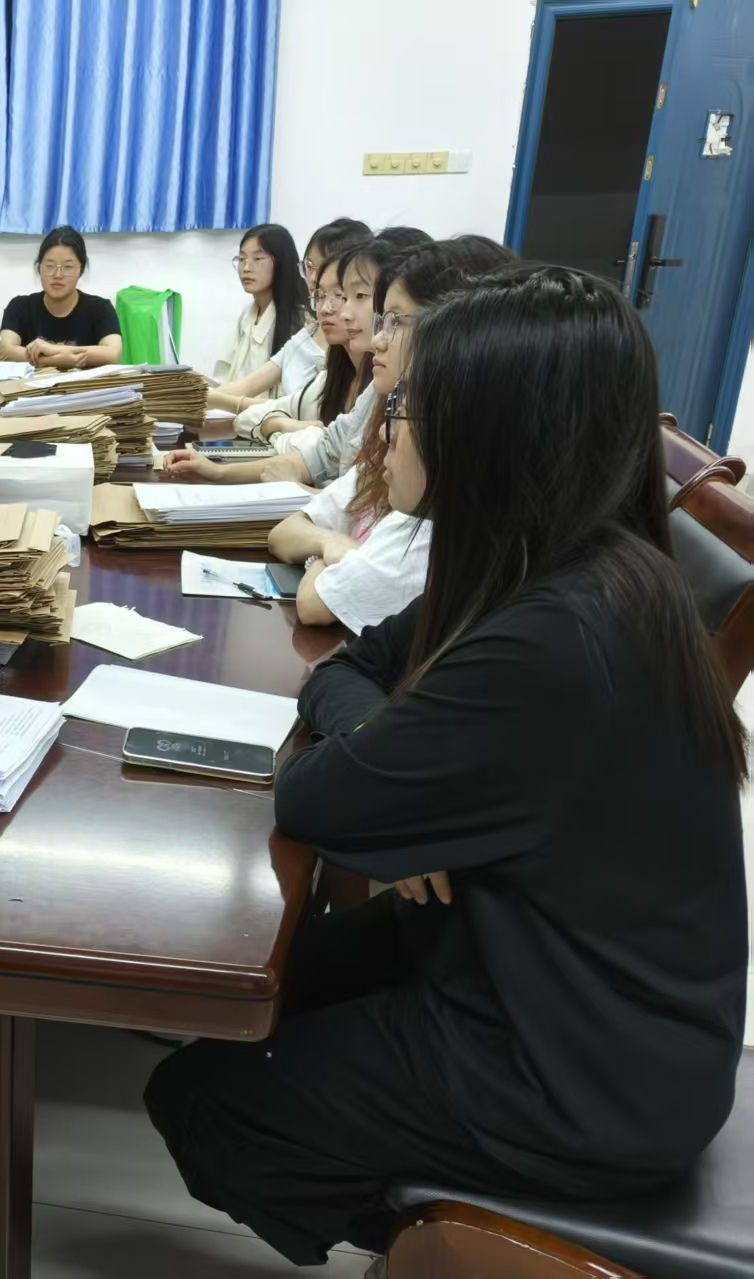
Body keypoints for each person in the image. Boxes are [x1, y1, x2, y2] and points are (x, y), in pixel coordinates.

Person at [145, 264, 748, 1268]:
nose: (385, 429)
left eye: (409, 409)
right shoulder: (549, 562)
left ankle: (449, 1252)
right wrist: (403, 762)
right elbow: (351, 666)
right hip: (548, 977)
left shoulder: (551, 636)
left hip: (578, 1073)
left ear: (491, 433)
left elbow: (313, 794)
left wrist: (396, 771)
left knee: (208, 1099)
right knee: (254, 983)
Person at [269, 235, 516, 631]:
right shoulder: (383, 407)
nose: (377, 337)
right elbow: (285, 532)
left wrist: (328, 557)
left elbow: (315, 605)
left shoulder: (443, 499)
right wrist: (330, 546)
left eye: (395, 320)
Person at [165, 234, 418, 486]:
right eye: (309, 270)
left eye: (352, 295)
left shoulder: (305, 329)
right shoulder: (342, 371)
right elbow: (321, 452)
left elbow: (343, 484)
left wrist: (283, 429)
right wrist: (220, 469)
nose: (335, 309)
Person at [207, 218, 371, 419]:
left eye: (257, 259)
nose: (313, 278)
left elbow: (294, 411)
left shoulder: (318, 330)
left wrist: (211, 399)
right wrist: (196, 396)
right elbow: (252, 386)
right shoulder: (311, 333)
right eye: (309, 266)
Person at [0, 227, 123, 370]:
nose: (57, 275)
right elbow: (4, 350)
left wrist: (55, 350)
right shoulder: (20, 307)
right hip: (33, 384)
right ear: (39, 268)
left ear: (81, 270)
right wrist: (59, 360)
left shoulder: (100, 308)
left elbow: (113, 353)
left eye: (68, 267)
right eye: (50, 266)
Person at [211, 223, 311, 384]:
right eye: (242, 259)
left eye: (257, 259)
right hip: (233, 398)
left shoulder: (301, 320)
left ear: (281, 262)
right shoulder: (246, 315)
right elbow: (224, 372)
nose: (246, 268)